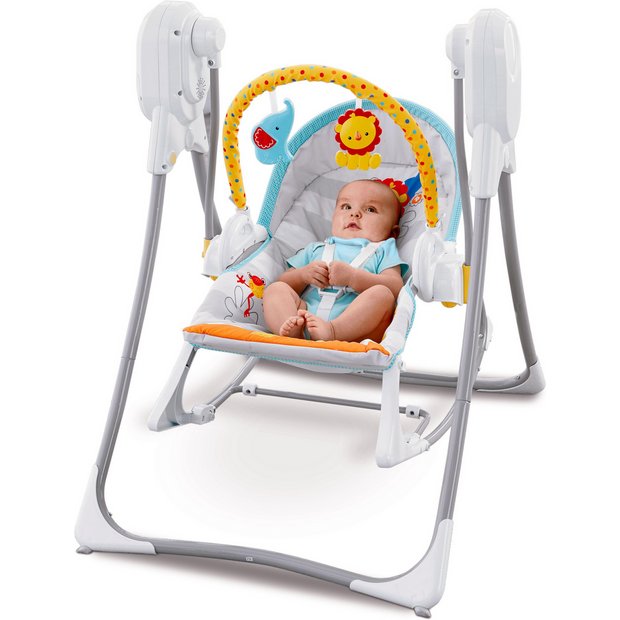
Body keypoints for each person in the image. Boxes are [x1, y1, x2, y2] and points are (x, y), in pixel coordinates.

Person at [262, 178, 408, 343]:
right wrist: (303, 275)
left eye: (370, 209)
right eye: (346, 207)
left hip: (355, 330)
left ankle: (333, 331)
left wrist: (353, 278)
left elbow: (395, 287)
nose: (354, 214)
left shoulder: (382, 250)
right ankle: (292, 331)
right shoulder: (315, 249)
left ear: (393, 233)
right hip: (306, 318)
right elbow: (284, 281)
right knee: (276, 289)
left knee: (383, 294)